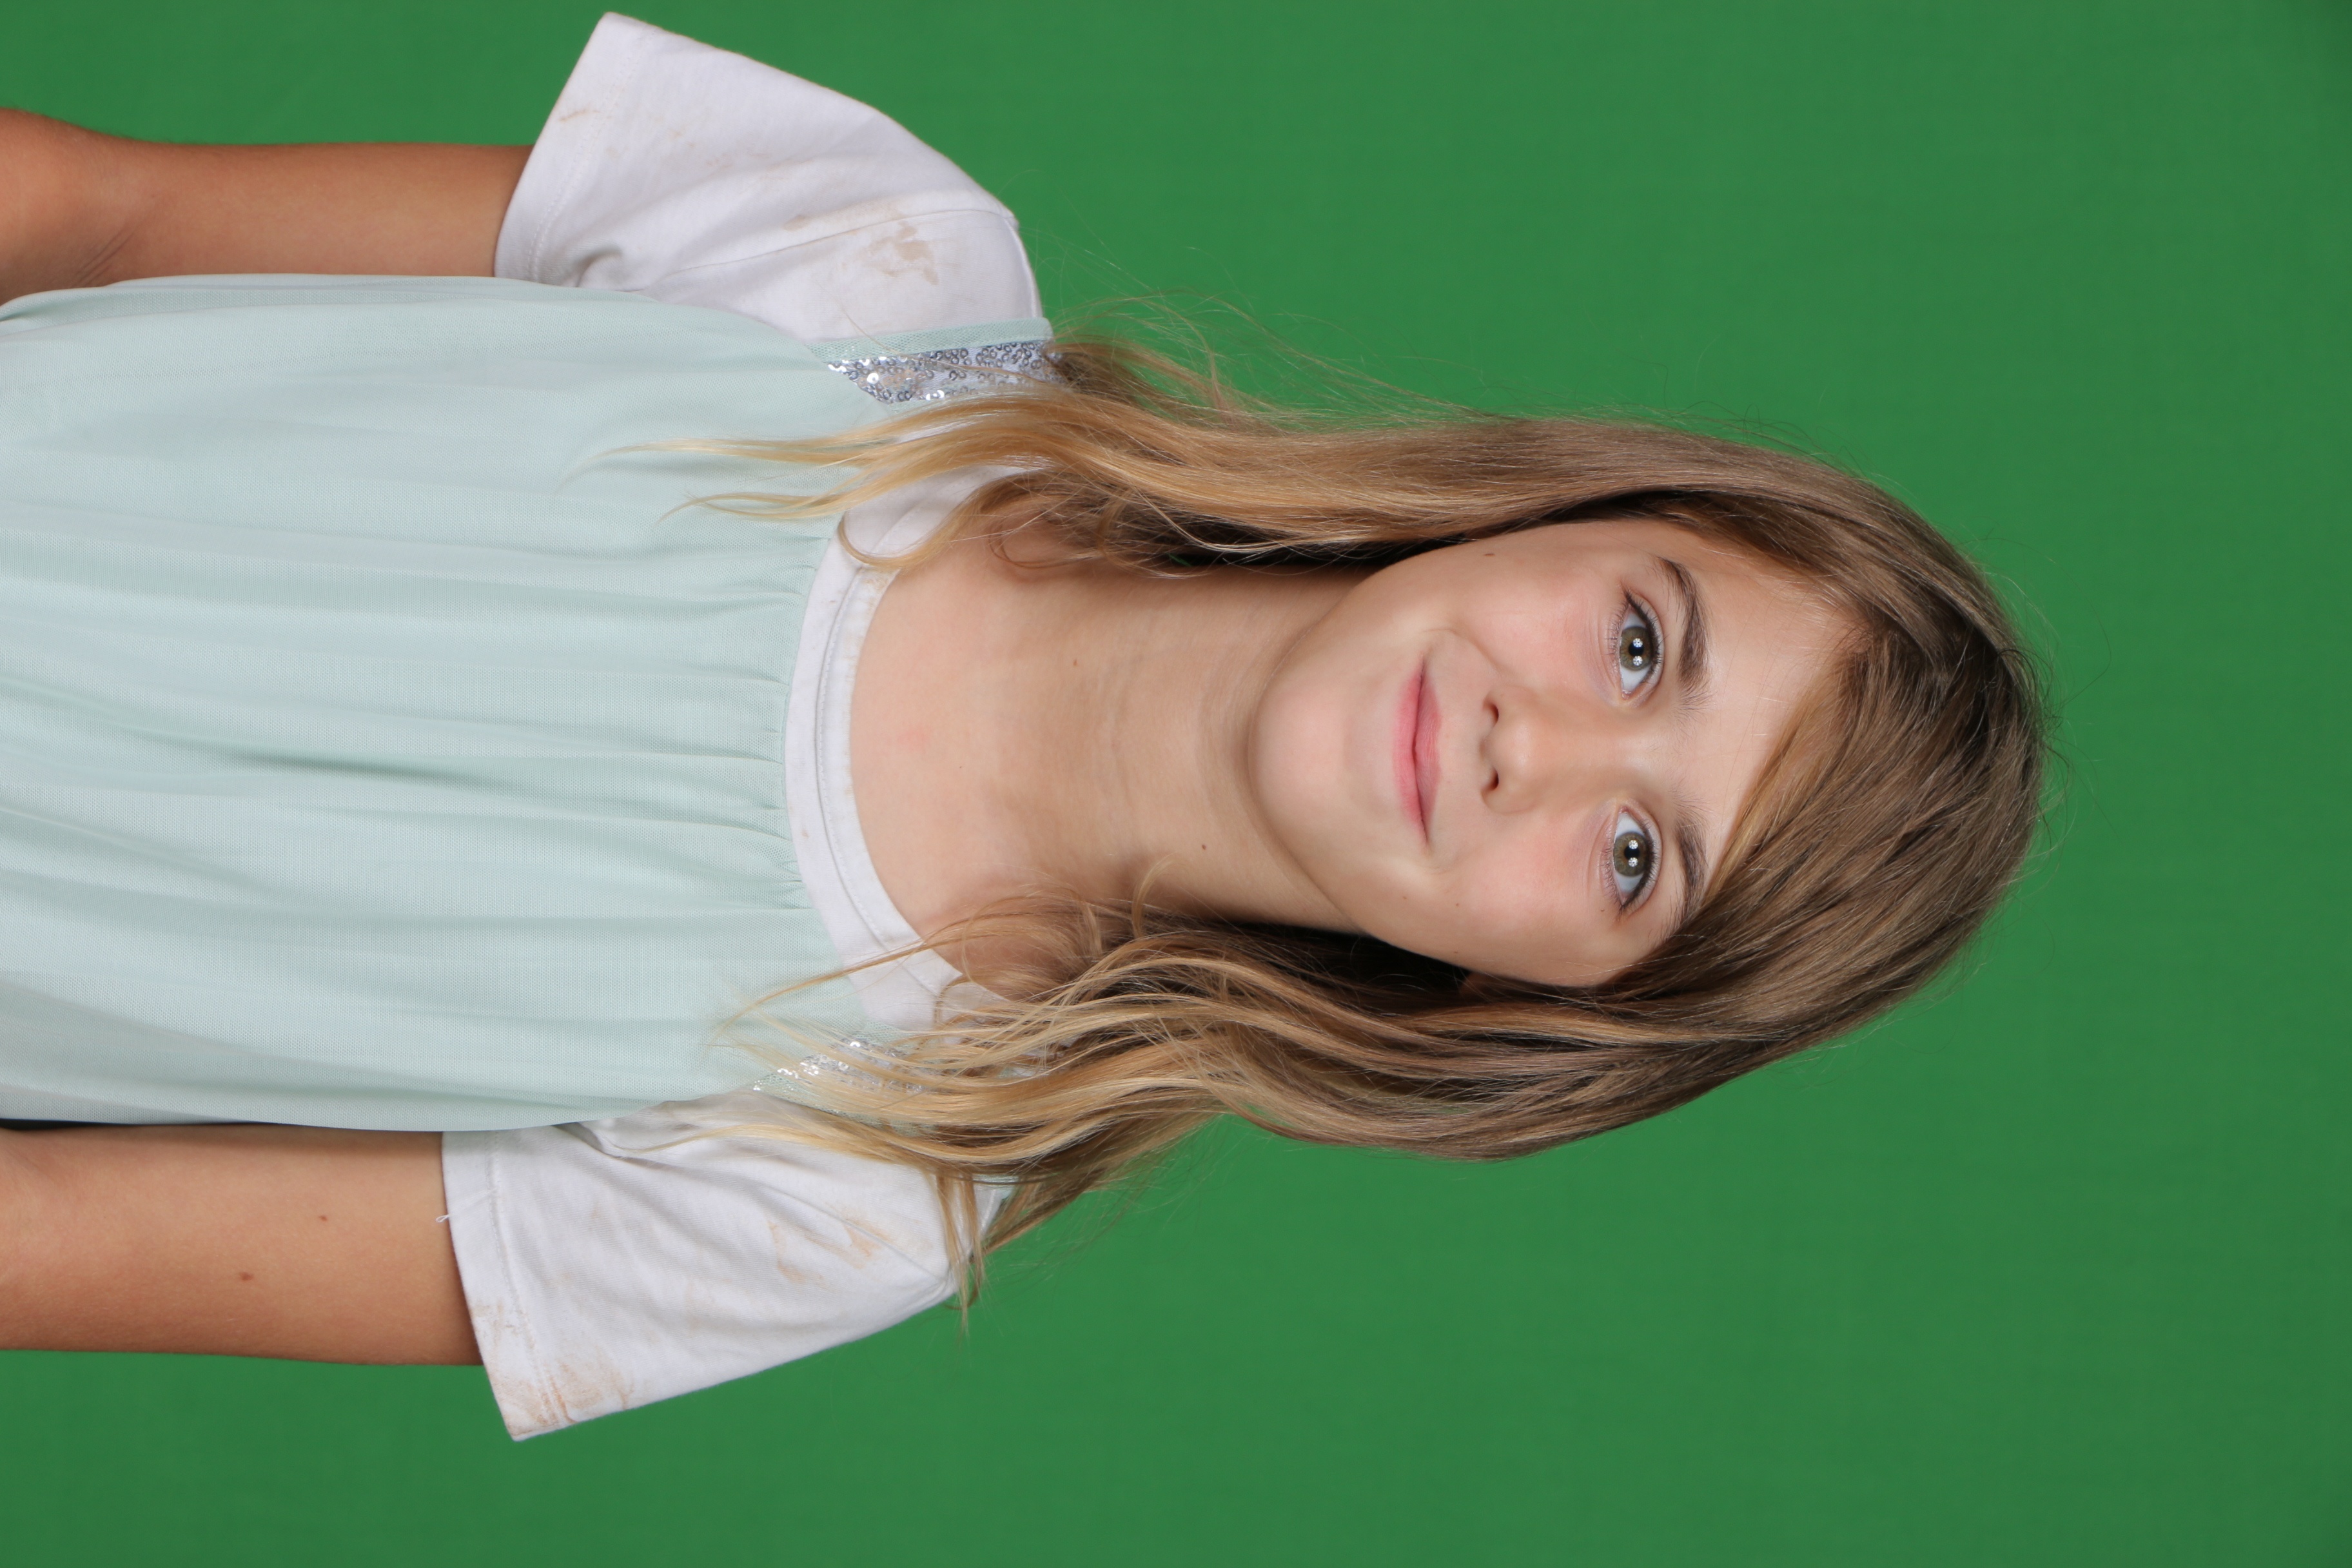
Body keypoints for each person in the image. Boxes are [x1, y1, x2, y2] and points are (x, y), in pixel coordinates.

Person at [0, 15, 2044, 1438]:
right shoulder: (874, 272)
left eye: (1636, 854)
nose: (1547, 751)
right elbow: (101, 212)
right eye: (1641, 644)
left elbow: (47, 1237)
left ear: (1557, 1006)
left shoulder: (864, 1178)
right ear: (1567, 508)